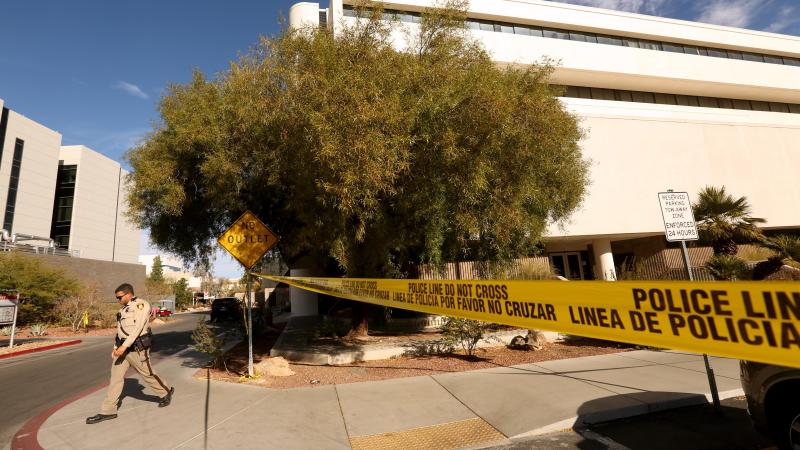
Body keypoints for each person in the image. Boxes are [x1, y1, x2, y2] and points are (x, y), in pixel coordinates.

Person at [86, 283, 174, 424]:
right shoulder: (124, 309)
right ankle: (108, 411)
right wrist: (116, 346)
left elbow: (138, 328)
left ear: (128, 294)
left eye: (119, 297)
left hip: (137, 347)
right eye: (117, 298)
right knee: (115, 379)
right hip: (122, 348)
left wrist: (124, 346)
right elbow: (121, 331)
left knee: (148, 374)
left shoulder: (141, 305)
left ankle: (166, 392)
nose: (118, 300)